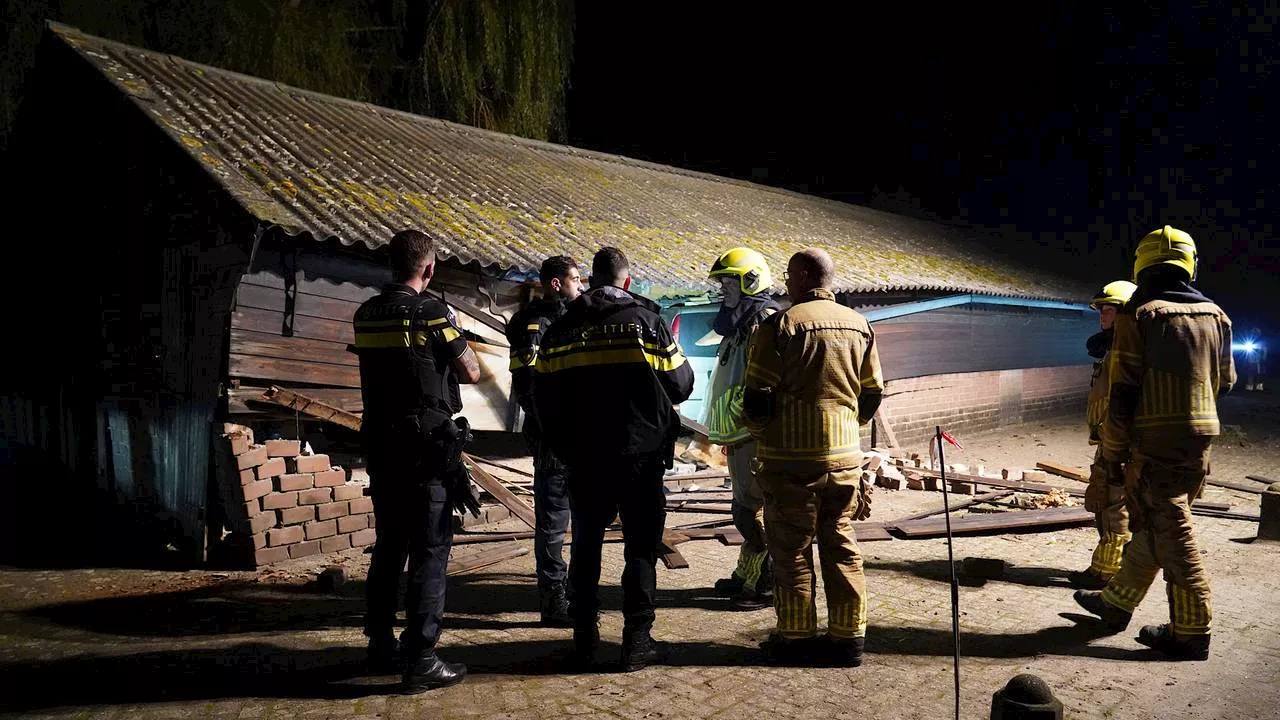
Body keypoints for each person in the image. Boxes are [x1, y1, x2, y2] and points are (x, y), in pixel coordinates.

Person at [1074, 225, 1235, 661]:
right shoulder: (1218, 316)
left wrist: (1112, 452)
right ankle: (1116, 602)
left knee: (1174, 532)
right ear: (1189, 263)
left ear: (1143, 264)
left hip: (1152, 443)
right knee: (1154, 523)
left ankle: (1191, 630)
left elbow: (1122, 391)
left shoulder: (1141, 314)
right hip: (1198, 439)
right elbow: (1228, 381)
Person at [533, 247, 694, 671]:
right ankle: (637, 641)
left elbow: (543, 399)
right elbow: (681, 385)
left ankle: (584, 639)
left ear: (590, 279)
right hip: (640, 459)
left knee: (586, 546)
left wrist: (565, 446)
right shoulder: (646, 324)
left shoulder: (560, 329)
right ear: (626, 281)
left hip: (585, 460)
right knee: (640, 548)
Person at [352, 229, 482, 692]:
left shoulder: (365, 314)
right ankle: (422, 658)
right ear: (428, 268)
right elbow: (472, 369)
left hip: (382, 444)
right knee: (430, 549)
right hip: (426, 448)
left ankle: (380, 644)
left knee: (389, 546)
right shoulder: (431, 311)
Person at [743, 248, 884, 667]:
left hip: (790, 462)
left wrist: (761, 432)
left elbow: (757, 397)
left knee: (792, 549)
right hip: (844, 461)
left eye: (789, 275)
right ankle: (847, 640)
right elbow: (872, 392)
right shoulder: (861, 326)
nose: (785, 283)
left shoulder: (780, 325)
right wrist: (844, 426)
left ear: (804, 276)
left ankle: (797, 637)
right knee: (841, 544)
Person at [506, 255, 584, 626]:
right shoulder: (535, 324)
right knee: (554, 519)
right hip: (554, 437)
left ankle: (574, 592)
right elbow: (528, 387)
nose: (580, 286)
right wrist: (554, 428)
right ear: (556, 283)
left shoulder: (571, 319)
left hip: (579, 436)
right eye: (575, 280)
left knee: (580, 516)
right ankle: (553, 599)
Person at [703, 247, 780, 609]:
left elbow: (766, 385)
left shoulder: (763, 323)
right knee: (742, 509)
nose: (723, 291)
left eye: (728, 283)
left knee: (755, 511)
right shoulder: (740, 324)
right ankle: (746, 574)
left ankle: (767, 584)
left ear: (750, 281)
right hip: (740, 435)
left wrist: (750, 429)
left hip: (756, 436)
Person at [1069, 279, 1137, 590]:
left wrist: (1117, 450)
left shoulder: (1128, 353)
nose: (1102, 316)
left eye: (1108, 310)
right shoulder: (1112, 349)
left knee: (1113, 509)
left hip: (1120, 445)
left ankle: (1106, 574)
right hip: (1109, 441)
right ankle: (1106, 568)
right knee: (1103, 504)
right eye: (1101, 310)